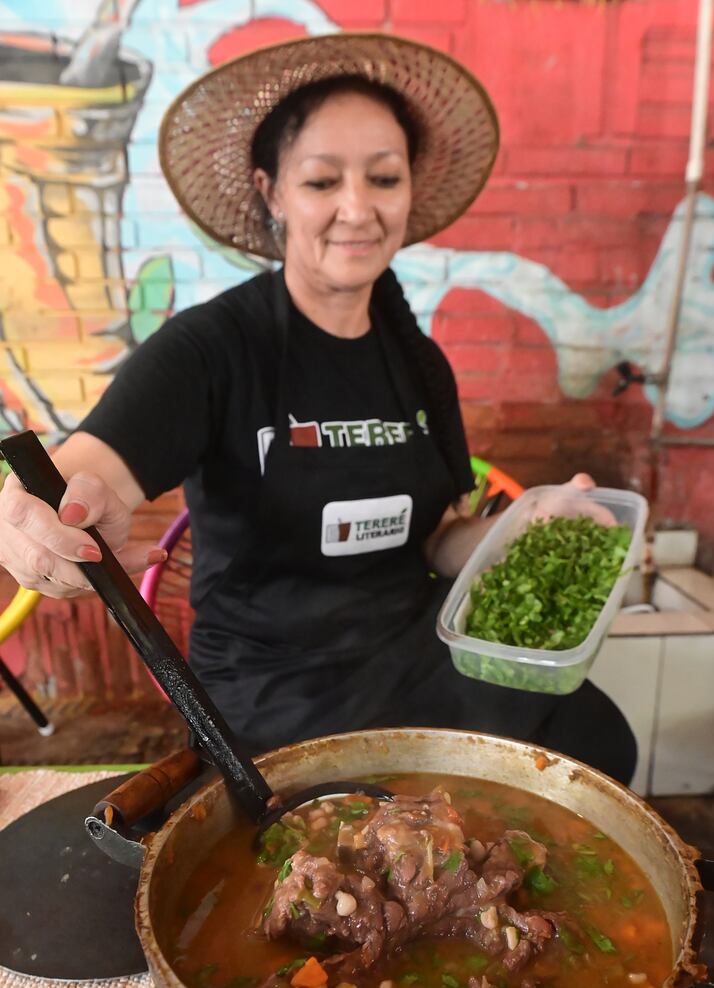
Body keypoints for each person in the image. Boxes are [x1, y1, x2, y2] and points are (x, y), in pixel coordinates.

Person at [0, 33, 637, 783]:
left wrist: (522, 525)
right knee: (378, 823)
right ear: (271, 192)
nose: (357, 208)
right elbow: (86, 467)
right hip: (271, 684)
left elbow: (434, 540)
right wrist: (45, 513)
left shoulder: (420, 363)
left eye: (383, 177)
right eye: (322, 181)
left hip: (415, 647)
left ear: (408, 191)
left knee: (598, 742)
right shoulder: (213, 347)